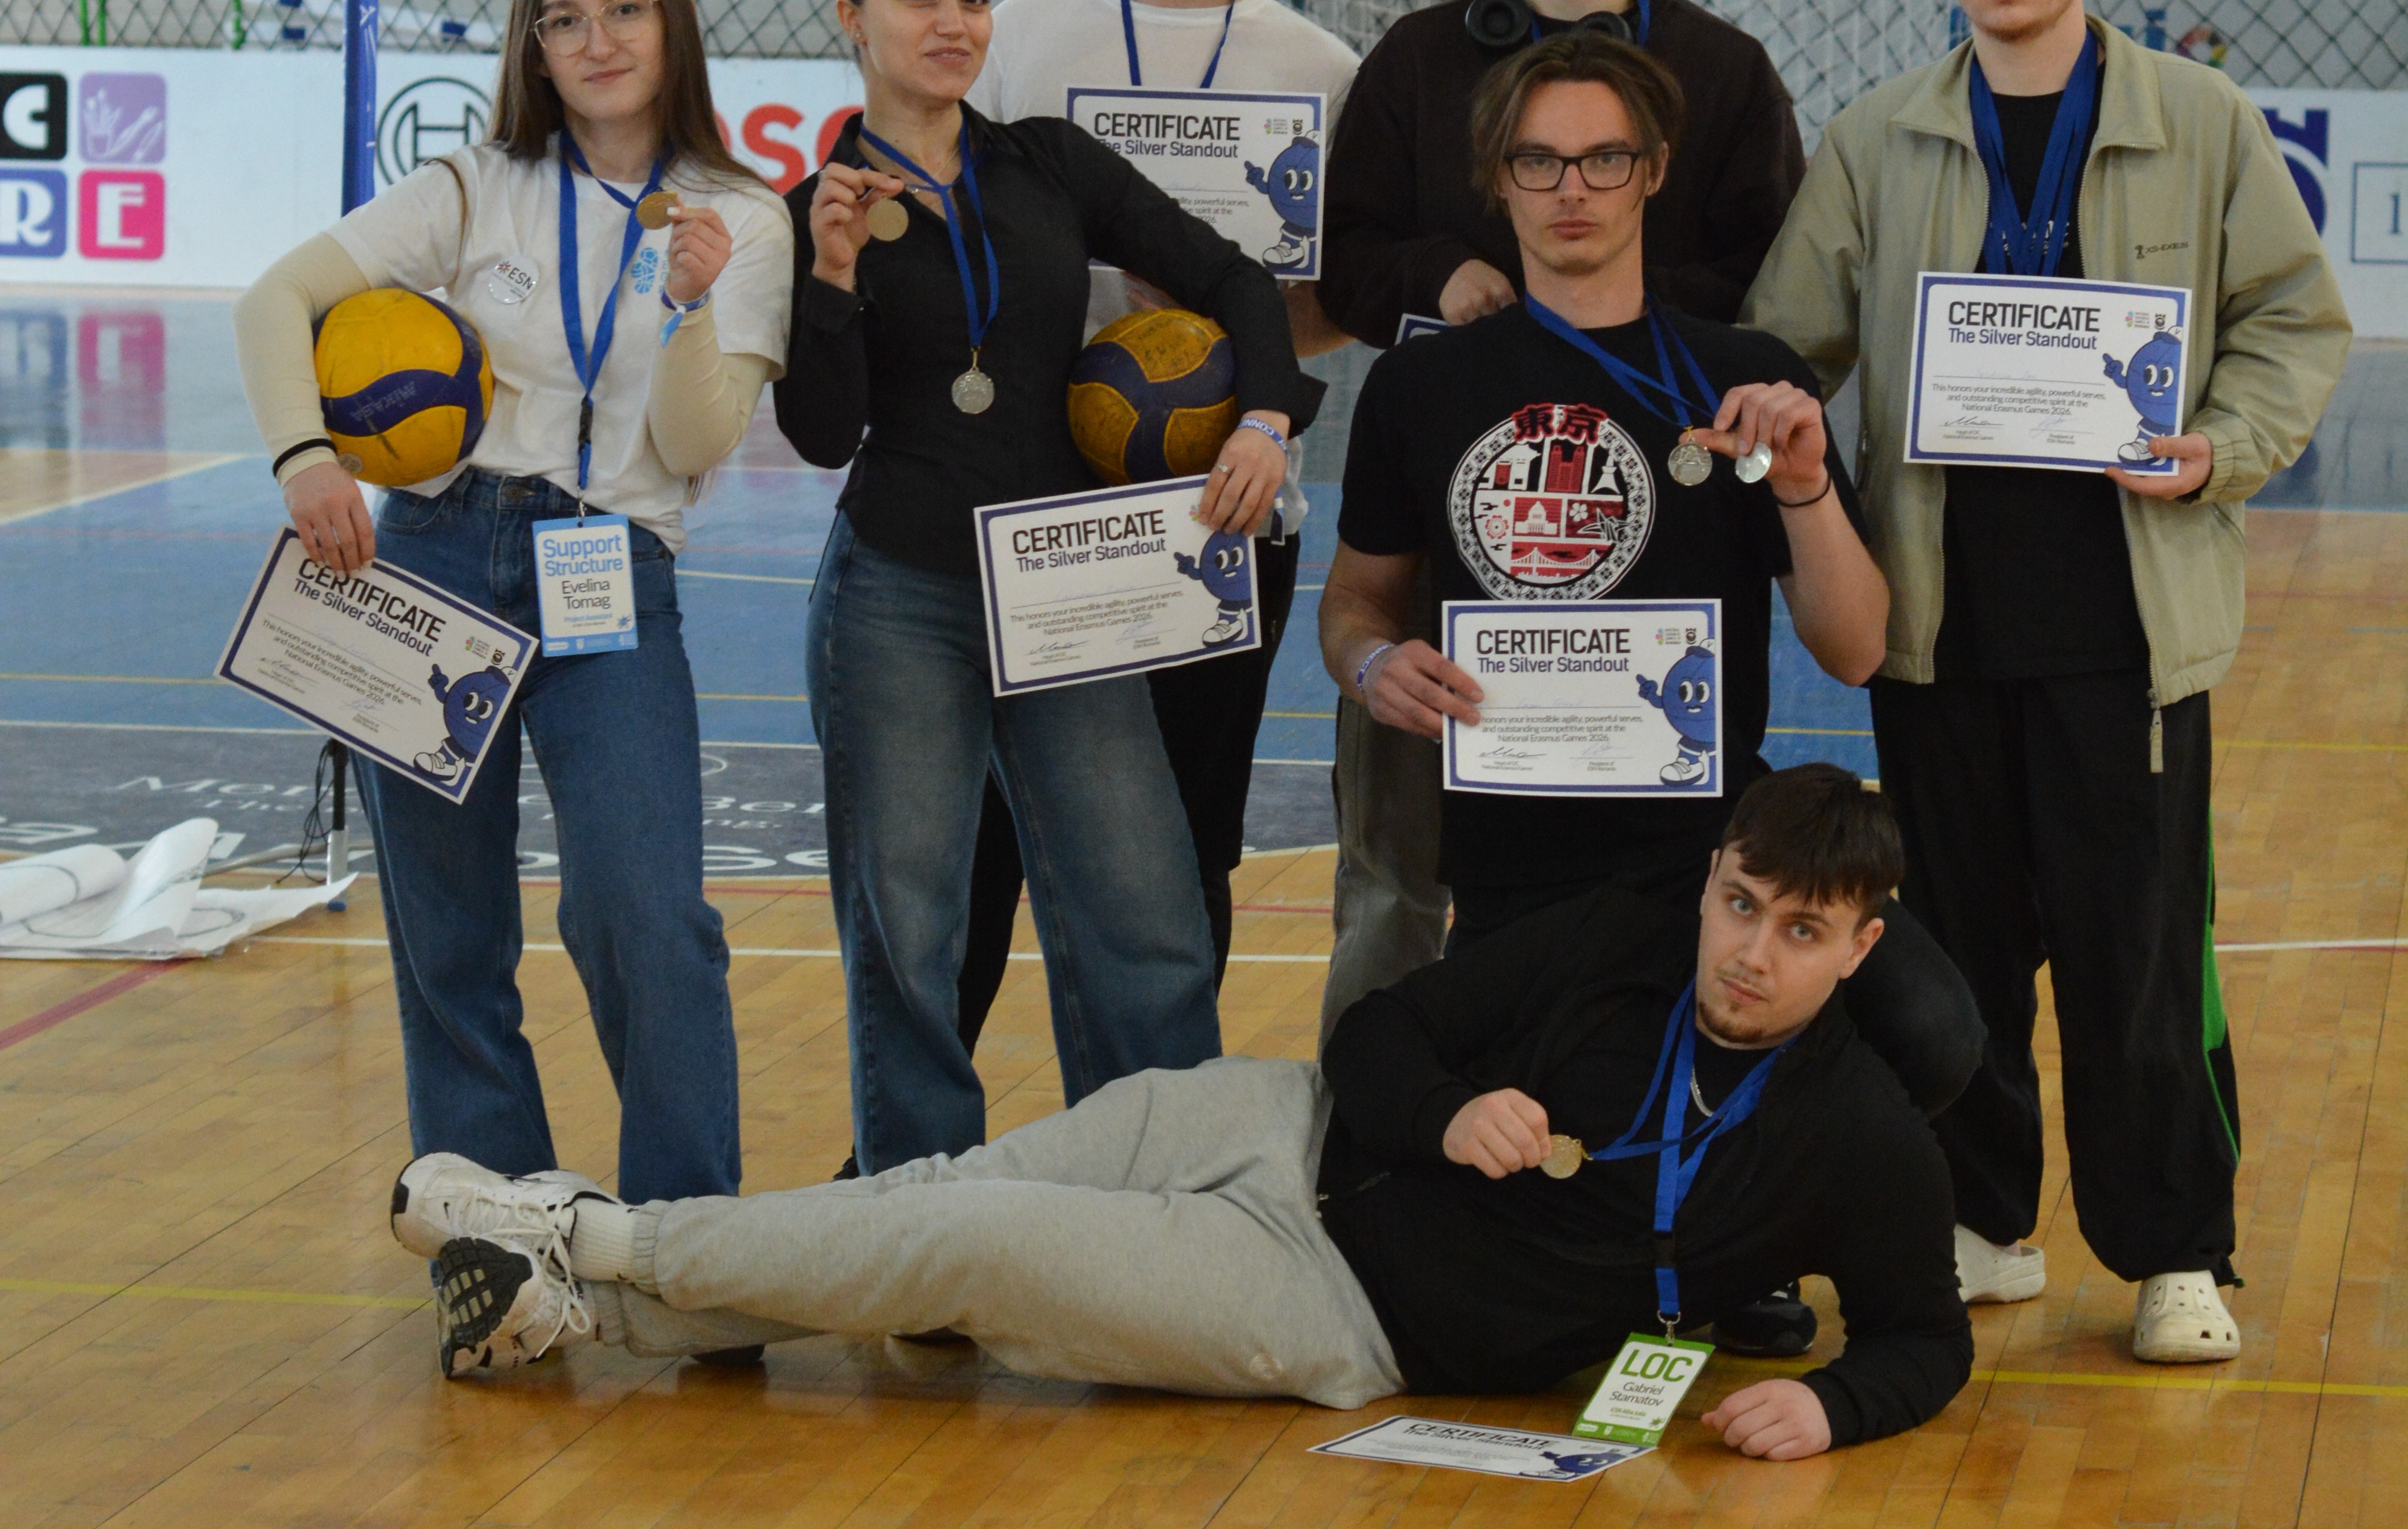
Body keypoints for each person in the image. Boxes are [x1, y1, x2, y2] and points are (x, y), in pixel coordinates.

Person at [390, 763, 1975, 1462]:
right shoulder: (1626, 928)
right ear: (1714, 879)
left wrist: (1835, 1408)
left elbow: (1929, 1333)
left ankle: (582, 1230)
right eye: (1744, 904)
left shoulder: (1859, 1137)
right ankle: (597, 1309)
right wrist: (1442, 1110)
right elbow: (1388, 1029)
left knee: (953, 1235)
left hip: (1334, 1305)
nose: (1754, 955)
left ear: (1862, 943)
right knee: (920, 1208)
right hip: (1278, 1126)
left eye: (1802, 933)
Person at [1741, 0, 2351, 1362]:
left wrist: (2217, 447)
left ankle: (2171, 1249)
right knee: (1948, 934)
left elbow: (2293, 321)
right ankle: (1982, 1219)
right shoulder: (1878, 136)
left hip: (2124, 623)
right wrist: (1775, 433)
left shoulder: (2198, 122)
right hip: (1933, 620)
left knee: (2133, 946)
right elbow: (1781, 342)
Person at [1320, 29, 1983, 1355]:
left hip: (1705, 864)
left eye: (1602, 157)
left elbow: (1855, 648)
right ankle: (1668, 1259)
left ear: (1652, 172)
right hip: (1518, 879)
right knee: (1508, 1104)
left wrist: (1796, 480)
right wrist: (1370, 666)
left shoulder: (1742, 380)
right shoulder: (1423, 385)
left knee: (1928, 1024)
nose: (1571, 187)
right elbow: (1354, 606)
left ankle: (1746, 1243)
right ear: (1495, 180)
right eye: (1538, 160)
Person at [231, 0, 794, 1212]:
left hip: (614, 568)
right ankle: (497, 1234)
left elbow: (695, 438)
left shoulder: (745, 215)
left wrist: (692, 302)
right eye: (564, 18)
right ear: (532, 48)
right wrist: (303, 458)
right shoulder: (475, 186)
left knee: (644, 915)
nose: (596, 39)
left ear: (670, 21)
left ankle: (683, 1243)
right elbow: (273, 300)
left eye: (624, 9)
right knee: (448, 935)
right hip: (432, 557)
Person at [777, 0, 1322, 1177]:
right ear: (851, 18)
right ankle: (920, 1223)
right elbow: (820, 431)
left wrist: (1264, 418)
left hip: (1067, 588)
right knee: (906, 929)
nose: (953, 21)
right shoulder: (816, 206)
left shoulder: (1047, 165)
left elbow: (1239, 281)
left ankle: (1166, 1193)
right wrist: (832, 277)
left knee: (1145, 912)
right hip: (898, 594)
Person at [1314, 0, 1807, 1059]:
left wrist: (1597, 328)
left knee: (1648, 870)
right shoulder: (1418, 58)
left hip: (1656, 535)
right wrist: (1447, 274)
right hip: (1455, 523)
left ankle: (1656, 1136)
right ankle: (1373, 1140)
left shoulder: (1727, 68)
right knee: (1397, 859)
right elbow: (1345, 253)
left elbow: (1772, 280)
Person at [949, 0, 1358, 1045]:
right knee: (984, 848)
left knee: (1187, 850)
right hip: (1032, 506)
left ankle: (1163, 1121)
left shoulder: (1320, 72)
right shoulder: (1015, 41)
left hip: (1222, 514)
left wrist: (1213, 352)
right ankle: (909, 1148)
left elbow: (1339, 303)